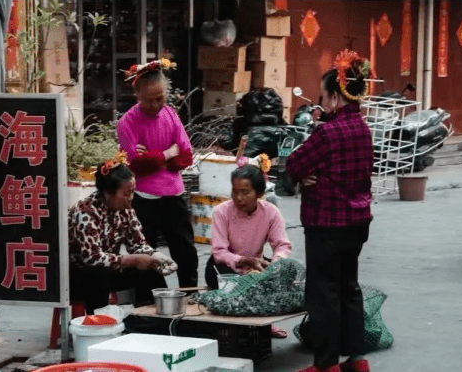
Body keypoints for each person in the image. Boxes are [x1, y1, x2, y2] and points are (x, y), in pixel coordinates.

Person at [286, 50, 375, 372]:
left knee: (324, 295)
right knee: (349, 288)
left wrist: (310, 176)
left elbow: (295, 163)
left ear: (336, 96)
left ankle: (326, 365)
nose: (322, 103)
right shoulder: (363, 129)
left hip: (326, 223)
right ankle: (356, 358)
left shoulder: (327, 133)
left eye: (324, 96)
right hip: (358, 223)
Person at [116, 59, 199, 288]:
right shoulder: (127, 123)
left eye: (160, 98)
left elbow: (185, 156)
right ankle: (149, 299)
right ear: (138, 97)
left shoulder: (171, 115)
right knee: (146, 250)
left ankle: (190, 291)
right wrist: (165, 154)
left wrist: (153, 157)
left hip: (174, 192)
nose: (155, 105)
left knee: (185, 249)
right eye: (149, 100)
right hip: (143, 195)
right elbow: (134, 164)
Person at [68, 153, 178, 314]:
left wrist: (155, 256)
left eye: (133, 192)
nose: (131, 198)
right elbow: (92, 258)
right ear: (107, 193)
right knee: (98, 274)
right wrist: (131, 260)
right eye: (126, 194)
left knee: (151, 269)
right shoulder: (85, 212)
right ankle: (99, 323)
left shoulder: (126, 210)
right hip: (80, 276)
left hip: (111, 270)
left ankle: (158, 318)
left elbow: (137, 244)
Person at [204, 160, 292, 338]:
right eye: (235, 192)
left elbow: (282, 245)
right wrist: (242, 260)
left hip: (255, 267)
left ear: (258, 193)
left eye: (245, 192)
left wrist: (275, 264)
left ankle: (265, 324)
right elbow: (219, 252)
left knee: (275, 277)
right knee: (235, 291)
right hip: (224, 267)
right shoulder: (222, 211)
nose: (238, 198)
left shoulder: (271, 212)